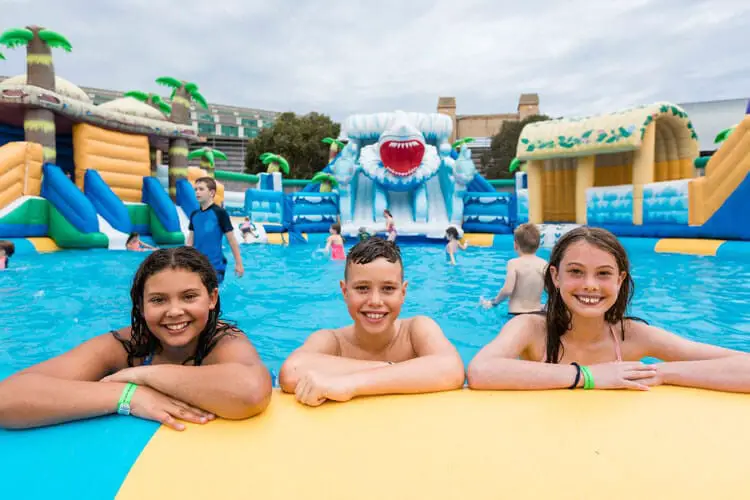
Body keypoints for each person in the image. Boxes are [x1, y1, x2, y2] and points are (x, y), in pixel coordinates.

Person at [0, 247, 272, 430]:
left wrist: (143, 375)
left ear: (212, 298)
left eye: (189, 297)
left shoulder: (222, 339)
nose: (175, 311)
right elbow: (7, 397)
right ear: (141, 306)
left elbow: (250, 392)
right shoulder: (124, 345)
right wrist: (127, 393)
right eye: (158, 300)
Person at [467, 226, 750, 393]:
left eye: (603, 274)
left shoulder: (632, 335)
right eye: (576, 272)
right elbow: (480, 371)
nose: (590, 285)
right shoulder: (530, 328)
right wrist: (589, 376)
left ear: (620, 280)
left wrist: (661, 372)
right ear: (555, 277)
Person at [279, 237, 465, 406]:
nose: (375, 301)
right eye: (362, 288)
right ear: (345, 292)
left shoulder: (415, 330)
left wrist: (350, 383)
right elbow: (291, 371)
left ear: (403, 292)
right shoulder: (332, 341)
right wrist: (392, 369)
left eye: (388, 288)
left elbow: (453, 369)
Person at [480, 223, 546, 314]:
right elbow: (552, 291)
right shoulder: (544, 264)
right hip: (537, 312)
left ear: (515, 245)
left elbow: (507, 290)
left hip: (517, 314)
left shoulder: (513, 263)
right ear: (538, 246)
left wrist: (494, 302)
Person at [187, 177, 244, 283]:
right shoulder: (194, 215)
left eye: (201, 189)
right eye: (195, 189)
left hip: (215, 266)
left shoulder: (220, 213)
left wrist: (239, 263)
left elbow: (231, 240)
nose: (197, 192)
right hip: (196, 266)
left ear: (211, 192)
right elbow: (190, 241)